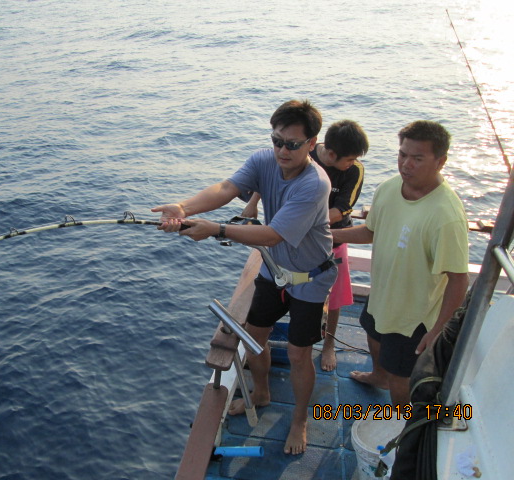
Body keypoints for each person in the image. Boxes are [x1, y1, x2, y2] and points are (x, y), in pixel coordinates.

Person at [151, 100, 337, 455]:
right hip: (272, 268)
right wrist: (184, 208)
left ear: (312, 143)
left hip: (310, 279)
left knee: (300, 355)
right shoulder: (263, 160)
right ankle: (262, 392)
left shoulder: (315, 184)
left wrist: (217, 229)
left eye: (292, 144)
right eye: (277, 140)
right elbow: (227, 187)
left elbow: (272, 234)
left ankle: (299, 419)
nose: (282, 150)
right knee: (255, 339)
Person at [332, 120, 469, 407]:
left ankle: (400, 428)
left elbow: (458, 279)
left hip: (413, 318)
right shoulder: (390, 188)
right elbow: (370, 231)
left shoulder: (446, 216)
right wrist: (325, 234)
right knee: (373, 336)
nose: (406, 164)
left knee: (400, 379)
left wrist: (437, 331)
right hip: (381, 295)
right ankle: (376, 376)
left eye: (417, 158)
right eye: (402, 154)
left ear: (440, 161)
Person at [242, 120, 368, 371]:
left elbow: (341, 209)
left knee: (333, 301)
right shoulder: (299, 152)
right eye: (349, 159)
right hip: (287, 238)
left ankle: (328, 346)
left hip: (332, 240)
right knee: (277, 294)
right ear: (330, 153)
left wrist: (305, 222)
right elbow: (267, 177)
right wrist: (254, 201)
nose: (352, 163)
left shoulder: (354, 170)